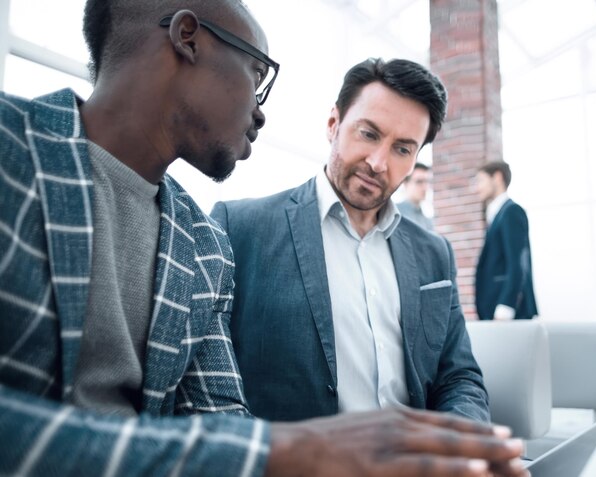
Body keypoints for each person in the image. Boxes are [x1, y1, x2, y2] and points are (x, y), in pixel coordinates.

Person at [0, 1, 530, 476]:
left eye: (403, 148)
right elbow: (233, 442)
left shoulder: (197, 239)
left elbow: (217, 417)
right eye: (258, 75)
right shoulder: (230, 227)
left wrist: (458, 450)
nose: (260, 111)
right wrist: (296, 452)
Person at [211, 58, 490, 426]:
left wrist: (461, 447)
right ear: (333, 124)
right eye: (369, 134)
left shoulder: (433, 253)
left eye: (402, 149)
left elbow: (459, 378)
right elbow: (207, 386)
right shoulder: (240, 228)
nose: (378, 162)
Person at [474, 161, 538, 321]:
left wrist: (506, 305)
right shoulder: (497, 214)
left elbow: (518, 262)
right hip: (495, 309)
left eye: (480, 181)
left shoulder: (511, 212)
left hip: (507, 312)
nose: (477, 188)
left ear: (497, 177)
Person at [397, 162, 435, 230]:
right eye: (419, 182)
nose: (425, 187)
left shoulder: (427, 221)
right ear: (405, 183)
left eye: (427, 182)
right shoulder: (394, 213)